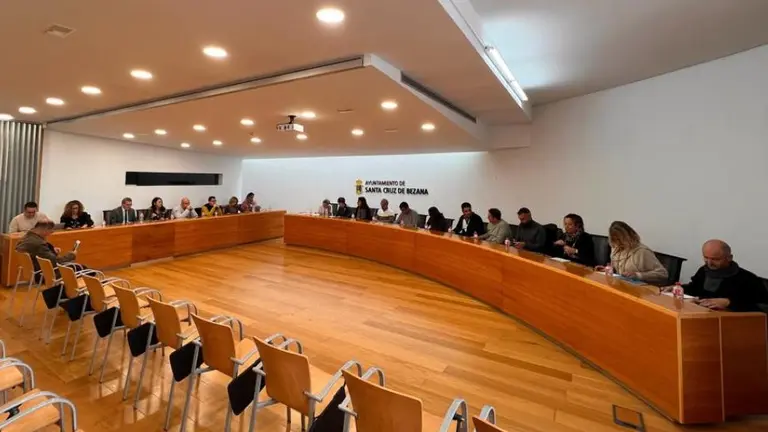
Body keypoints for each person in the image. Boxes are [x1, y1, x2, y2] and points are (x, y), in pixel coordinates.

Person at [662, 240, 768, 312]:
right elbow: (694, 289)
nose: (709, 263)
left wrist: (729, 303)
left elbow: (763, 307)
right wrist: (678, 289)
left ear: (729, 258)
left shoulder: (747, 279)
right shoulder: (704, 270)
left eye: (715, 259)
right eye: (706, 258)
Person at [596, 221, 668, 283]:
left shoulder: (642, 252)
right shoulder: (616, 248)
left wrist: (638, 275)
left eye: (620, 239)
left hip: (640, 291)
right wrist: (608, 269)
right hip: (621, 286)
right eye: (615, 240)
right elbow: (618, 270)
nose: (618, 243)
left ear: (629, 236)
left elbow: (663, 274)